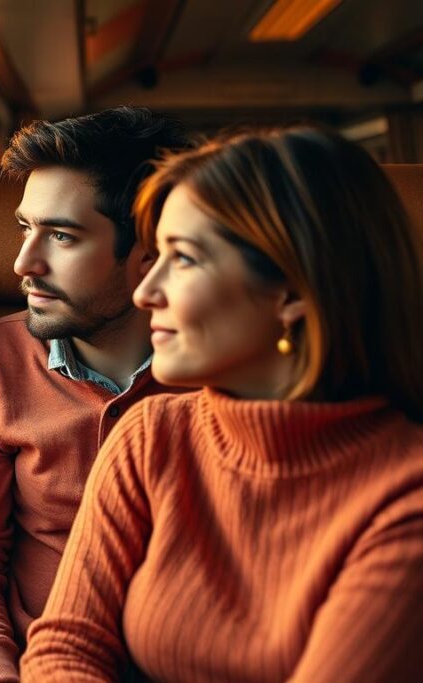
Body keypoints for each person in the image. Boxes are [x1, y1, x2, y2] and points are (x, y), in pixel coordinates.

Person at [21, 127, 423, 681]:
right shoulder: (151, 434)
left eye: (182, 259)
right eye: (155, 255)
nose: (145, 292)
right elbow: (66, 648)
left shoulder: (406, 498)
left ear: (291, 293)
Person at [0, 106, 192, 682]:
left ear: (149, 250)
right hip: (31, 659)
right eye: (26, 227)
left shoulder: (233, 368)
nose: (23, 263)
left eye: (62, 236)